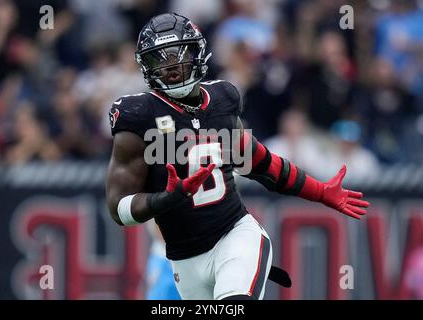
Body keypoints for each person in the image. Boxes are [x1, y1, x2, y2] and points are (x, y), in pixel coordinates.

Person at [105, 13, 370, 300]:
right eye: (161, 59)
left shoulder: (222, 100)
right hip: (184, 261)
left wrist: (320, 191)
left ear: (198, 53)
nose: (171, 67)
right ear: (147, 65)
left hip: (234, 236)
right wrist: (166, 199)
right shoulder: (138, 115)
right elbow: (118, 208)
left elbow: (261, 164)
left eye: (178, 56)